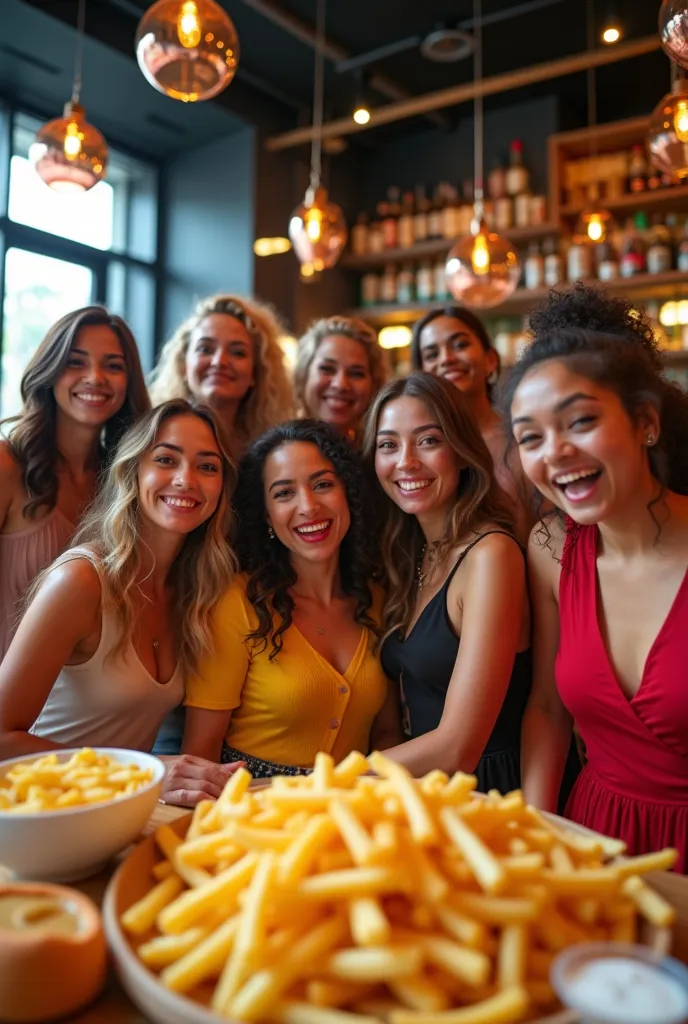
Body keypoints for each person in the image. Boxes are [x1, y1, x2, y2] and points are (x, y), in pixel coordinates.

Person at [506, 327, 688, 871]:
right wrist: (539, 837)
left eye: (581, 421)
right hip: (592, 842)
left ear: (646, 424)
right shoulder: (551, 551)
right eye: (530, 437)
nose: (555, 452)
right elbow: (546, 708)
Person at [0, 400, 243, 806]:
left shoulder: (197, 592)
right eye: (166, 459)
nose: (186, 479)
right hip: (33, 815)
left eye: (207, 466)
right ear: (132, 471)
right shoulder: (80, 581)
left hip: (119, 816)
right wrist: (141, 771)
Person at [182, 419, 395, 776]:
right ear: (266, 515)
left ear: (349, 494)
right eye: (284, 493)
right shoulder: (236, 603)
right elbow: (200, 756)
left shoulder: (376, 599)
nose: (308, 506)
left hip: (355, 807)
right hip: (256, 809)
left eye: (323, 485)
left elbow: (387, 732)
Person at [362, 372, 531, 791]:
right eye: (388, 445)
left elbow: (459, 746)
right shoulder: (408, 554)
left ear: (460, 450)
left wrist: (305, 784)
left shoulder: (492, 554)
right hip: (426, 788)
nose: (406, 461)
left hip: (489, 792)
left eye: (428, 440)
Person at [0, 306, 150, 661]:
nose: (95, 377)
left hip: (77, 709)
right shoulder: (7, 465)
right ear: (50, 372)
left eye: (113, 366)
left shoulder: (126, 483)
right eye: (76, 362)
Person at [411, 306, 534, 543]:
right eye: (431, 354)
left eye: (460, 345)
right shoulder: (416, 452)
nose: (446, 359)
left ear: (490, 360)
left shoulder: (522, 438)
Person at [149, 294, 294, 458]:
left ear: (256, 372)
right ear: (183, 365)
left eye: (238, 352)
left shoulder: (272, 454)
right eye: (205, 349)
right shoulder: (149, 438)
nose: (219, 362)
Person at [295, 316, 388, 444]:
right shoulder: (277, 452)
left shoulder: (381, 456)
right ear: (304, 375)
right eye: (327, 369)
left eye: (356, 374)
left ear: (374, 385)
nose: (340, 384)